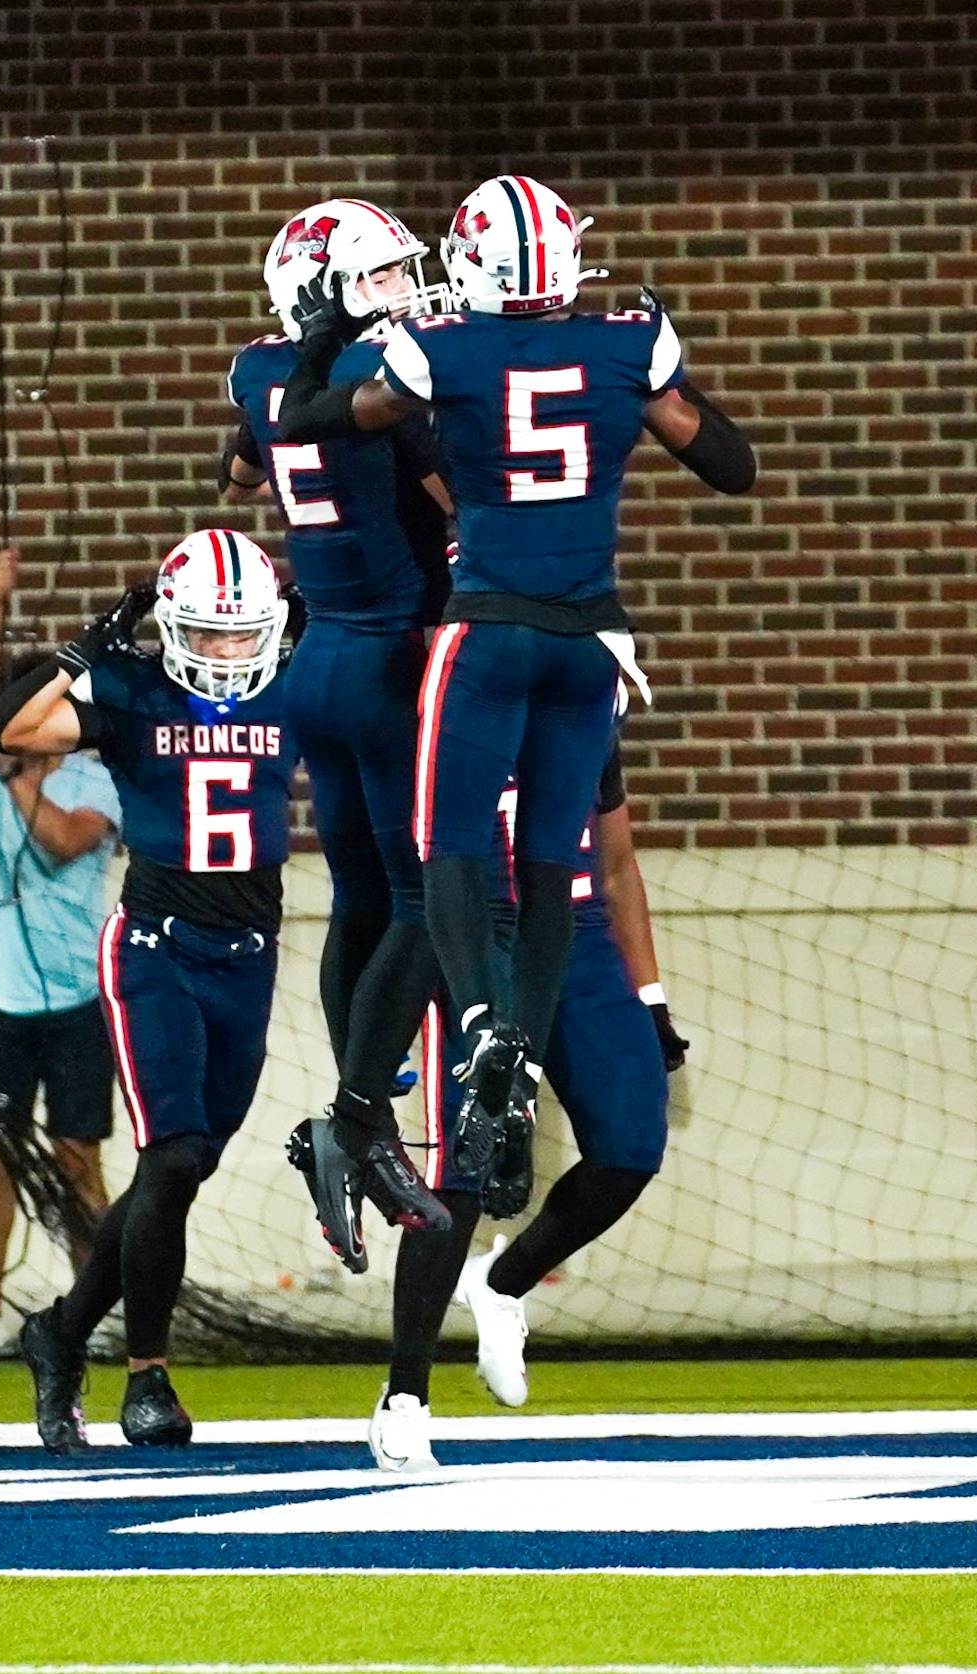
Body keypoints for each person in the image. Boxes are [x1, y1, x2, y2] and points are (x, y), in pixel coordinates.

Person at [276, 173, 755, 1225]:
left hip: (483, 635)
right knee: (550, 867)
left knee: (446, 852)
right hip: (589, 643)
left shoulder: (440, 352)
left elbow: (315, 415)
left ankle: (480, 1026)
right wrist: (660, 356)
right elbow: (731, 463)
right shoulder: (627, 347)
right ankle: (517, 1055)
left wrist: (319, 338)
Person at [0, 528, 297, 1453]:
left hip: (251, 951)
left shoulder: (294, 682)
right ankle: (147, 1377)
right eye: (212, 632)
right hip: (156, 944)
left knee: (184, 1167)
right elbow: (7, 726)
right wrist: (83, 647)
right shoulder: (132, 687)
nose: (232, 652)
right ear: (171, 626)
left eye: (246, 635)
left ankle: (61, 1331)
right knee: (170, 1156)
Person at [222, 198, 454, 1274]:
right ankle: (360, 1117)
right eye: (389, 275)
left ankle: (359, 1097)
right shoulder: (378, 384)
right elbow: (466, 493)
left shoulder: (253, 371)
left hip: (311, 661)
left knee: (360, 897)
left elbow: (238, 473)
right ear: (336, 288)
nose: (409, 290)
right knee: (426, 899)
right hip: (390, 658)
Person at [369, 732, 689, 1473]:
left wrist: (651, 996)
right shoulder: (447, 706)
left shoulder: (585, 707)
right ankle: (405, 1397)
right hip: (481, 940)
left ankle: (501, 1282)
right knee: (462, 1165)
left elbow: (615, 864)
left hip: (579, 941)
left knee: (631, 1144)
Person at [0, 548, 122, 1348]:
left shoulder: (92, 779)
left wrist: (21, 772)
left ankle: (93, 1306)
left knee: (77, 1157)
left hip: (78, 998)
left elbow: (65, 843)